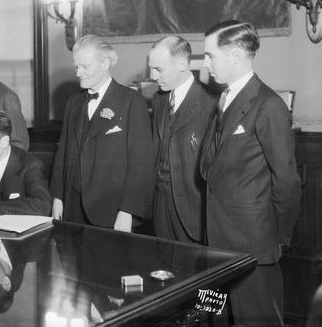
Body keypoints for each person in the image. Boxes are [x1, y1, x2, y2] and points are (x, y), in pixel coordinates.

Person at [201, 20, 301, 326]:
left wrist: (275, 236)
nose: (205, 63)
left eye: (210, 55)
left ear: (234, 56)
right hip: (216, 241)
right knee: (214, 319)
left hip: (253, 244)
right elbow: (210, 167)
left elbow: (287, 181)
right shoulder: (223, 98)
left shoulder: (268, 104)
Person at [50, 35, 155, 232]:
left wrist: (127, 211)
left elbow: (141, 163)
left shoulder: (132, 101)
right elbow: (62, 153)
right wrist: (57, 196)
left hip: (111, 212)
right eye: (76, 67)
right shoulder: (74, 102)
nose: (78, 73)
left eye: (85, 66)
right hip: (72, 209)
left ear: (105, 63)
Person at [148, 36, 217, 243]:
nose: (152, 76)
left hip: (194, 208)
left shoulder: (212, 102)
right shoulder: (159, 99)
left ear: (181, 64)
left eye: (158, 69)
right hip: (160, 205)